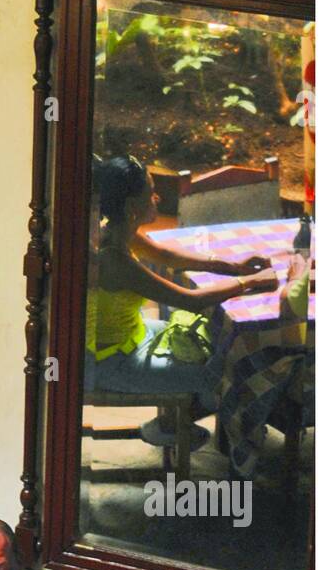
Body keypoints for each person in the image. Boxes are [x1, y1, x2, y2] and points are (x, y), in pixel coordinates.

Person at [86, 155, 278, 429]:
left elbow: (168, 256)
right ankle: (176, 424)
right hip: (114, 362)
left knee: (215, 340)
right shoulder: (115, 260)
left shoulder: (116, 230)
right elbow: (191, 301)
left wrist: (236, 267)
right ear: (131, 206)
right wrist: (251, 282)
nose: (158, 198)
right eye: (150, 193)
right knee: (225, 373)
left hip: (133, 335)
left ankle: (177, 421)